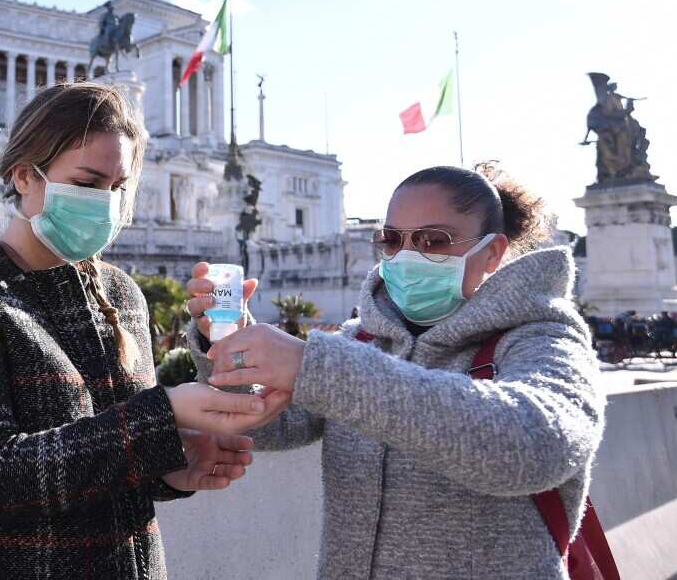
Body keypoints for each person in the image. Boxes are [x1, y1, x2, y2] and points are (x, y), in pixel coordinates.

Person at [0, 82, 280, 579]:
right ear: (24, 176)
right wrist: (162, 414)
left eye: (117, 188)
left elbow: (110, 459)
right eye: (86, 182)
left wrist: (173, 468)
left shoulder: (122, 294)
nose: (105, 204)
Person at [189, 164, 605, 579]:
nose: (407, 257)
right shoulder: (362, 340)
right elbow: (266, 424)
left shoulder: (543, 336)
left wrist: (314, 366)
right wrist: (225, 344)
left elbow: (534, 445)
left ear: (492, 253)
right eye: (392, 240)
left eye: (432, 240)